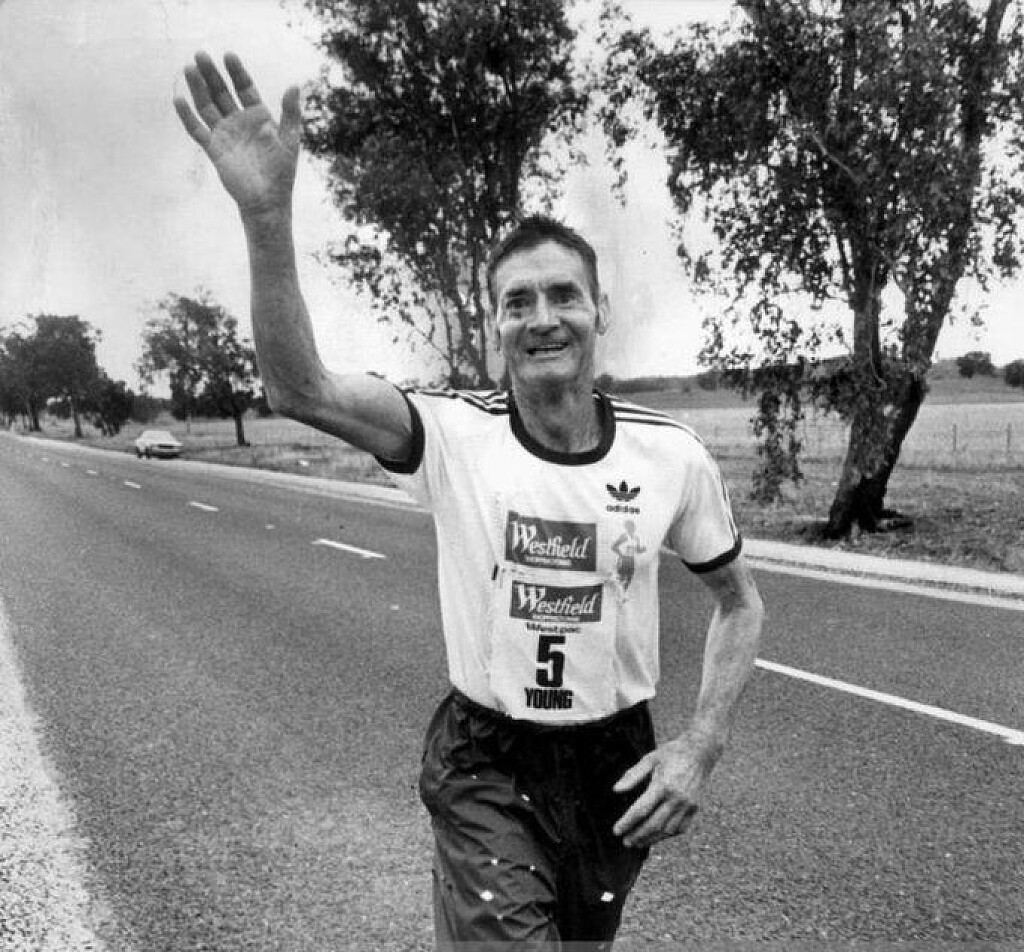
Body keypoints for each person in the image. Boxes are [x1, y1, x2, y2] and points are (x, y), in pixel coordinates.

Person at [175, 51, 765, 951]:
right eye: (517, 302)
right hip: (488, 758)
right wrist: (265, 215)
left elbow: (740, 603)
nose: (543, 317)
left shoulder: (671, 456)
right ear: (495, 327)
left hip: (612, 763)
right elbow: (301, 389)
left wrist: (700, 746)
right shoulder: (450, 432)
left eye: (564, 295)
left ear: (599, 312)